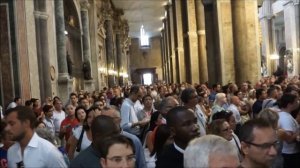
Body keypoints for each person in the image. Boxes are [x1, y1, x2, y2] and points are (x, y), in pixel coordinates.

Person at [277, 93, 300, 168]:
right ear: (289, 104)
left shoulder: (284, 114)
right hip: (290, 153)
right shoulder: (285, 118)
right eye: (296, 101)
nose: (298, 103)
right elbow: (289, 140)